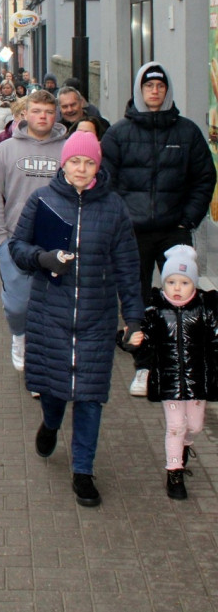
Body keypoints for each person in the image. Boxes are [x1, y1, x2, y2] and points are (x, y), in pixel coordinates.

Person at [9, 131, 144, 507]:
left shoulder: (114, 208)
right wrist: (44, 259)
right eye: (75, 162)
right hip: (50, 314)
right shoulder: (43, 200)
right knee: (53, 391)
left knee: (89, 397)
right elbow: (18, 247)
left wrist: (133, 318)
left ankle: (83, 470)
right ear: (63, 164)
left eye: (89, 163)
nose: (82, 169)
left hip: (96, 319)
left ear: (98, 167)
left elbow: (128, 267)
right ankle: (51, 423)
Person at [101, 61, 218, 396]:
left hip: (173, 231)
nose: (155, 91)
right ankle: (143, 367)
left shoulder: (187, 132)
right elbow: (105, 181)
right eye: (149, 86)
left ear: (167, 90)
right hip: (132, 234)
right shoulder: (119, 133)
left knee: (180, 297)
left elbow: (204, 178)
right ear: (140, 90)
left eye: (160, 86)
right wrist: (119, 219)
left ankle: (181, 364)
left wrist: (188, 218)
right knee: (135, 300)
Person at [0, 89, 68, 372]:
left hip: (58, 240)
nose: (42, 116)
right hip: (16, 240)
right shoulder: (5, 150)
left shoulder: (67, 149)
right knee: (18, 305)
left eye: (48, 111)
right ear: (25, 114)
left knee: (54, 305)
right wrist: (0, 237)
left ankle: (44, 358)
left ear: (55, 115)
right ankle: (19, 337)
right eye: (36, 111)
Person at [124, 245, 218, 499]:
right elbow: (142, 337)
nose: (177, 288)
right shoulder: (155, 312)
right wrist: (132, 339)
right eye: (172, 281)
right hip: (168, 381)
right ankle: (174, 472)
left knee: (195, 426)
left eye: (184, 282)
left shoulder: (205, 311)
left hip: (198, 381)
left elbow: (215, 341)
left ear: (195, 285)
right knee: (175, 426)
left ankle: (186, 446)